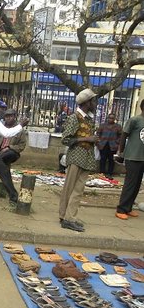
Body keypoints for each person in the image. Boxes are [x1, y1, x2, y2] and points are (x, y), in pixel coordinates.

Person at [58, 88, 99, 232]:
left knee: (78, 189)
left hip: (86, 158)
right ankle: (67, 218)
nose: (95, 103)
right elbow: (65, 139)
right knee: (71, 189)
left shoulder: (88, 119)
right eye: (93, 100)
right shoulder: (74, 117)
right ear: (87, 102)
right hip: (76, 157)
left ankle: (67, 217)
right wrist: (87, 138)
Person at [0, 100, 28, 204]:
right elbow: (6, 133)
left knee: (4, 172)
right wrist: (21, 125)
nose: (3, 112)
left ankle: (13, 197)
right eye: (2, 109)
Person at [115, 100, 144, 220]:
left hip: (142, 158)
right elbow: (124, 135)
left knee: (137, 184)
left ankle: (128, 208)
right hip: (133, 156)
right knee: (130, 183)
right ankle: (121, 209)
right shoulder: (135, 120)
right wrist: (120, 152)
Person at [96, 112, 122, 179]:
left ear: (114, 119)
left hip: (113, 146)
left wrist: (117, 142)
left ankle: (110, 174)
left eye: (112, 118)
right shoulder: (102, 125)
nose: (111, 119)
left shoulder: (118, 127)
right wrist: (98, 143)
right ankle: (102, 173)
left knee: (111, 160)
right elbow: (98, 134)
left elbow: (121, 136)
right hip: (103, 145)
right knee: (103, 159)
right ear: (107, 118)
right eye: (109, 118)